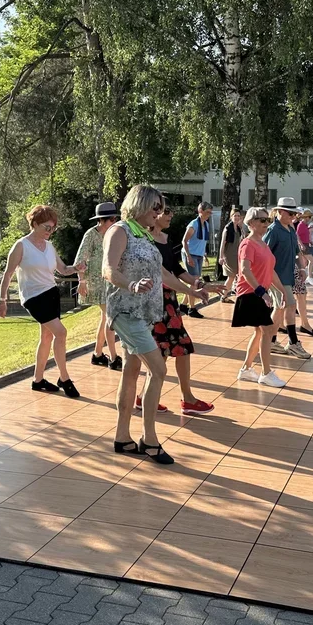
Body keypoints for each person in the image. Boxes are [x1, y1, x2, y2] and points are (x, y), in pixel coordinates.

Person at [103, 185, 205, 464]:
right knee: (158, 370)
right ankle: (149, 440)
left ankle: (122, 438)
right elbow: (108, 269)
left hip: (145, 314)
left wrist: (192, 291)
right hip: (125, 311)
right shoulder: (120, 230)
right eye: (156, 207)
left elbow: (162, 275)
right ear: (141, 205)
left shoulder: (144, 236)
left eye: (162, 208)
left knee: (131, 371)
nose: (160, 213)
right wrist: (131, 284)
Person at [0, 205, 84, 397]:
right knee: (61, 333)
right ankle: (64, 378)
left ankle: (38, 381)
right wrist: (2, 300)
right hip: (33, 298)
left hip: (51, 293)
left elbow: (63, 269)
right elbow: (8, 274)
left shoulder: (49, 246)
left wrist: (76, 268)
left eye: (53, 228)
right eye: (46, 227)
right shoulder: (21, 246)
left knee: (47, 337)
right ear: (34, 224)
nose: (50, 231)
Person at [151, 202, 219, 414]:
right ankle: (153, 397)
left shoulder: (164, 239)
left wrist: (200, 284)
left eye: (170, 210)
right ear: (153, 214)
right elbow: (163, 274)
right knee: (166, 349)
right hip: (155, 301)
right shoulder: (145, 240)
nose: (170, 215)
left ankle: (182, 398)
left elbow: (177, 270)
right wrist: (193, 291)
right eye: (165, 211)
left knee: (178, 347)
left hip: (169, 301)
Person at [232, 207, 287, 387]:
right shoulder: (247, 244)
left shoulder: (263, 244)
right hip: (249, 293)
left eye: (268, 220)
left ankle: (246, 369)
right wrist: (261, 292)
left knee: (261, 331)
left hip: (260, 292)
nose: (266, 223)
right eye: (262, 220)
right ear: (251, 222)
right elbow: (246, 270)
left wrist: (282, 290)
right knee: (268, 330)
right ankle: (266, 373)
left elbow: (270, 271)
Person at [75, 202, 121, 371]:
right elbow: (80, 261)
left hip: (109, 282)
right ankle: (114, 357)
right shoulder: (91, 235)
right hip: (96, 284)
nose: (115, 222)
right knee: (109, 318)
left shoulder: (113, 234)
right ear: (103, 220)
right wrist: (82, 281)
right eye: (112, 219)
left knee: (105, 318)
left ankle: (98, 354)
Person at [265, 198, 311, 359]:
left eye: (295, 213)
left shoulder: (291, 230)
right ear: (280, 212)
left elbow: (297, 252)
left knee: (280, 309)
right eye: (291, 213)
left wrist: (302, 267)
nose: (294, 216)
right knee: (290, 306)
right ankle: (292, 343)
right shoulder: (273, 230)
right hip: (276, 277)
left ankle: (270, 341)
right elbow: (264, 255)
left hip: (288, 276)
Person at [181, 201, 213, 317]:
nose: (209, 214)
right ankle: (192, 308)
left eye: (210, 212)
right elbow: (184, 241)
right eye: (207, 212)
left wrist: (204, 255)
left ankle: (184, 305)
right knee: (194, 281)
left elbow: (202, 242)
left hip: (198, 255)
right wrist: (188, 256)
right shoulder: (193, 224)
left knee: (195, 281)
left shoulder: (206, 225)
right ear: (201, 211)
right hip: (190, 254)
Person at [219, 207, 245, 303]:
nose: (237, 217)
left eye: (238, 216)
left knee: (235, 276)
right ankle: (224, 296)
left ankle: (227, 295)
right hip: (229, 256)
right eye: (235, 216)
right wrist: (221, 257)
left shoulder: (238, 228)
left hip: (237, 256)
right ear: (231, 217)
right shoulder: (227, 228)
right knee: (231, 277)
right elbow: (222, 243)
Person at [296, 210, 313, 287]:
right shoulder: (301, 225)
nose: (310, 218)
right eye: (309, 217)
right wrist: (301, 245)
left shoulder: (305, 225)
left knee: (304, 263)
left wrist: (310, 241)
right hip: (303, 245)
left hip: (306, 244)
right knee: (312, 260)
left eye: (310, 217)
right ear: (305, 217)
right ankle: (309, 277)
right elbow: (297, 235)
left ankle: (302, 279)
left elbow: (305, 235)